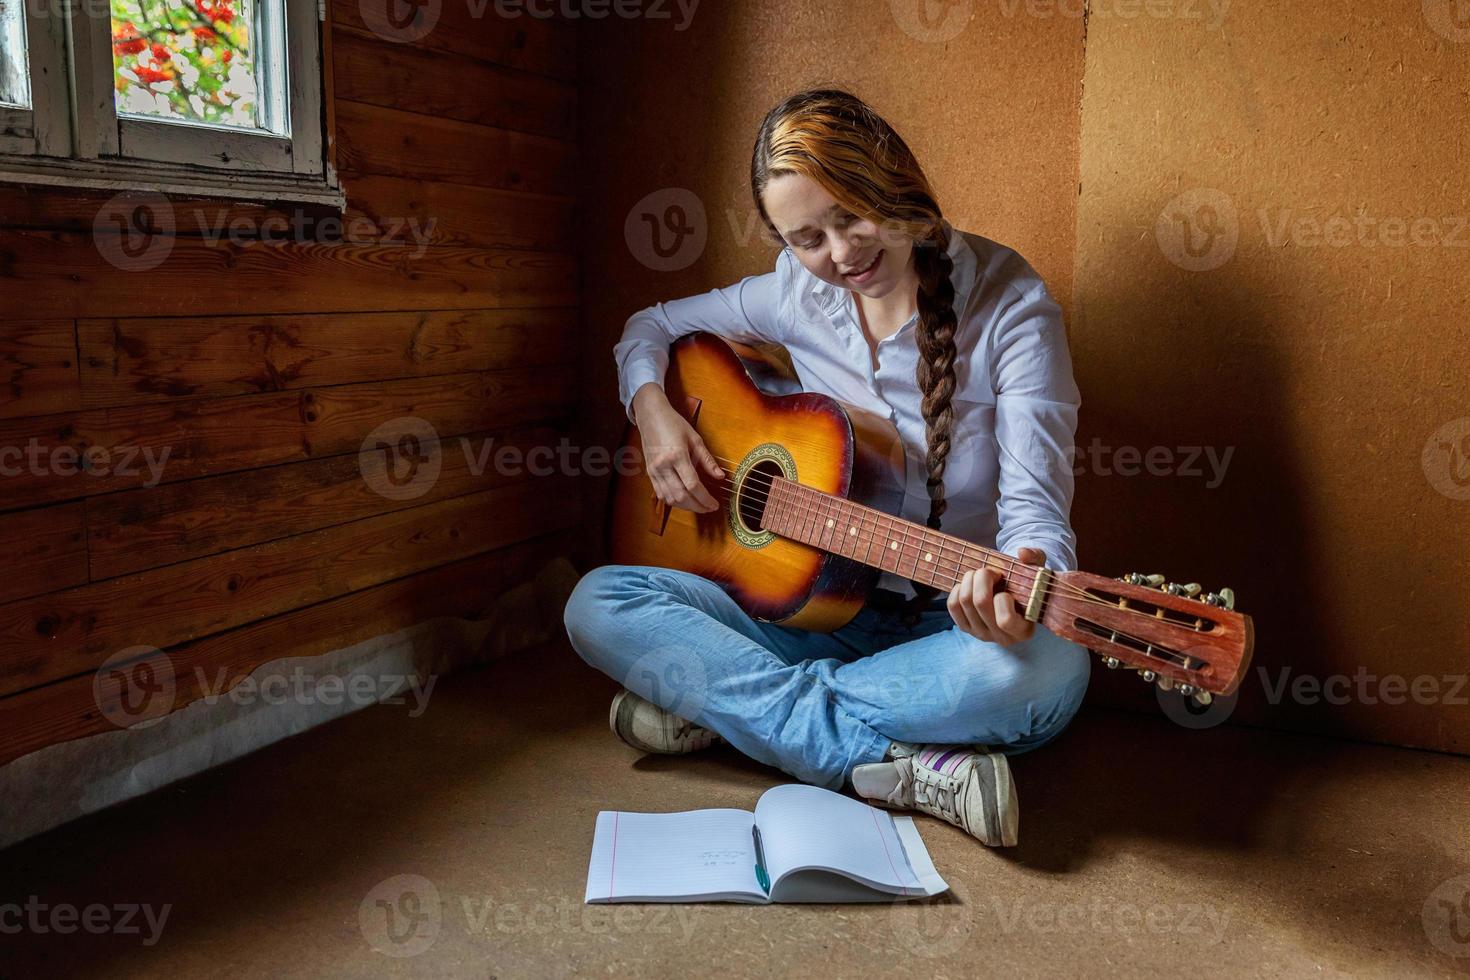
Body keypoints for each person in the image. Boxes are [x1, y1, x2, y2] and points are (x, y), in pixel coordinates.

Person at [563, 88, 1090, 847]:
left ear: (891, 180)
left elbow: (1039, 515)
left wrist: (1018, 578)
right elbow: (648, 328)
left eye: (850, 217)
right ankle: (892, 762)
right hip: (812, 617)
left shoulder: (1013, 305)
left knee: (1049, 669)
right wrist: (655, 416)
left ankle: (725, 711)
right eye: (807, 238)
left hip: (950, 632)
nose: (840, 257)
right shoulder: (794, 292)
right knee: (596, 603)